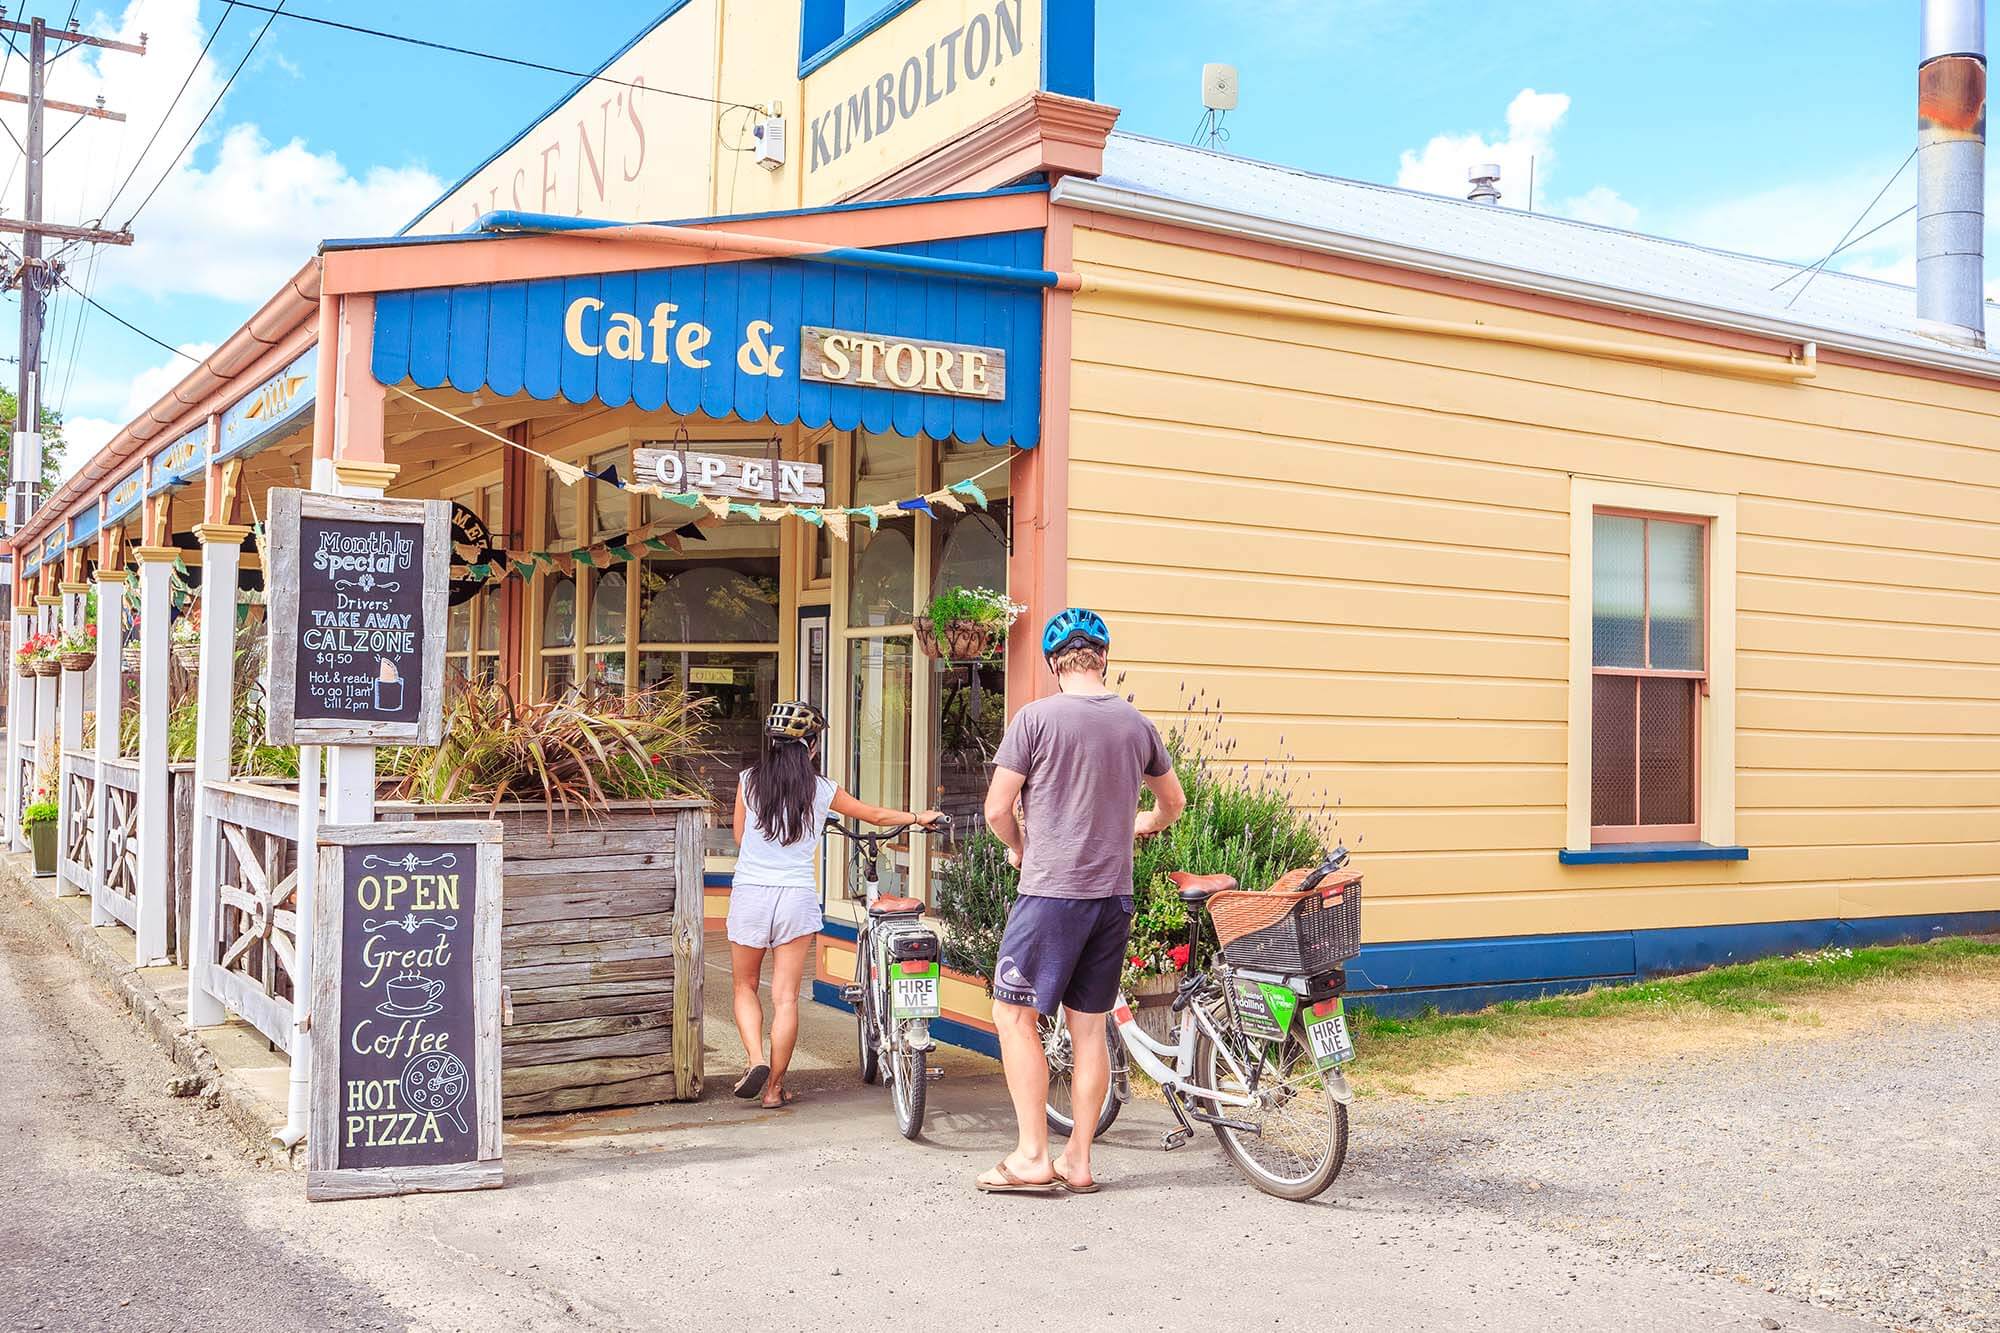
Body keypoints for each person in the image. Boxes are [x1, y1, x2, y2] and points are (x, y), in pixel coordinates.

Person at [976, 609, 1185, 1193]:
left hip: (1050, 895)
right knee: (1088, 1029)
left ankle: (1031, 1157)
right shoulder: (1137, 725)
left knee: (1013, 1014)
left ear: (1053, 664)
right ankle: (1079, 1161)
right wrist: (1138, 823)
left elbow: (997, 810)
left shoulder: (1034, 720)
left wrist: (1021, 844)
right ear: (1104, 658)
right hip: (1112, 896)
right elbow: (1173, 805)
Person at [729, 700, 943, 1109]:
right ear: (810, 747)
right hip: (795, 897)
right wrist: (918, 816)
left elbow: (740, 839)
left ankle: (755, 1059)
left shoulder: (747, 782)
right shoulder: (822, 789)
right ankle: (773, 1089)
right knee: (786, 998)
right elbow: (875, 815)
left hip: (751, 892)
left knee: (745, 986)